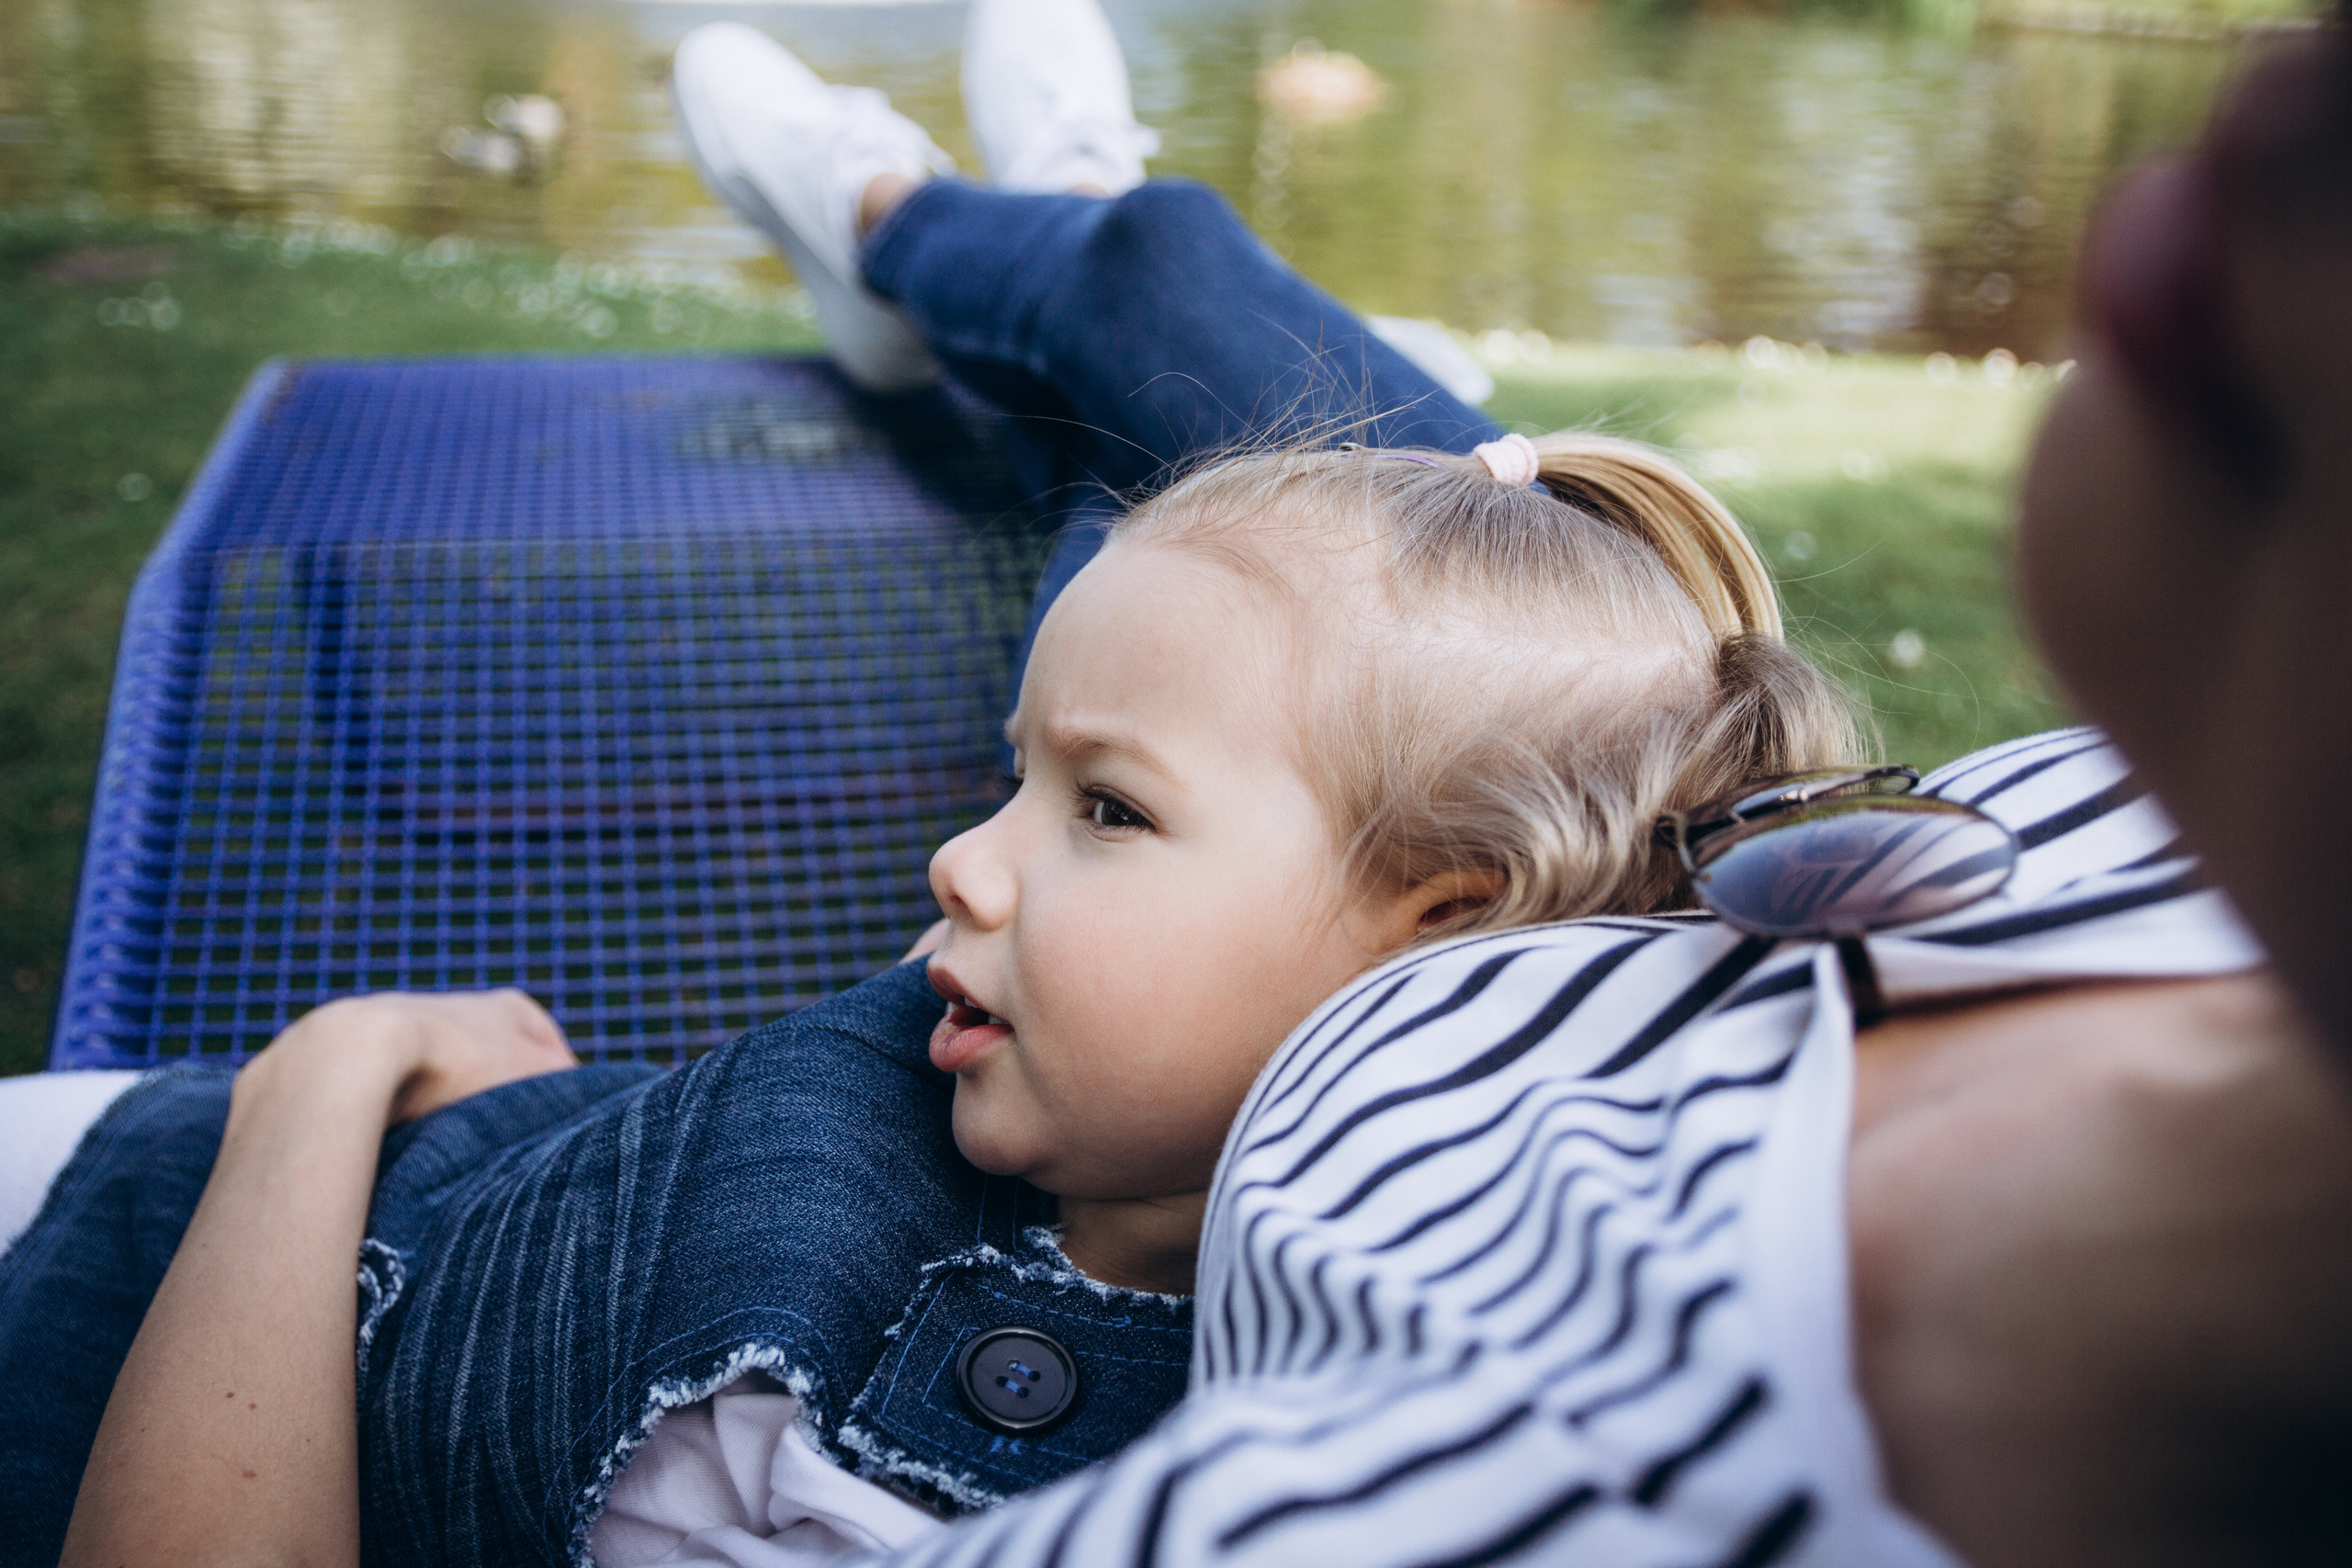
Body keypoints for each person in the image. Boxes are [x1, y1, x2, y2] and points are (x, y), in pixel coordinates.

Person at [11, 7, 2352, 1568]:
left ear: (1441, 943)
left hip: (139, 1245)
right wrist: (1124, 802)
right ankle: (1014, 225)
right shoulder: (2148, 862)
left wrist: (312, 1091)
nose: (955, 843)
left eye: (1083, 812)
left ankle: (955, 232)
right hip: (1245, 957)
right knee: (1314, 562)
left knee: (1262, 536)